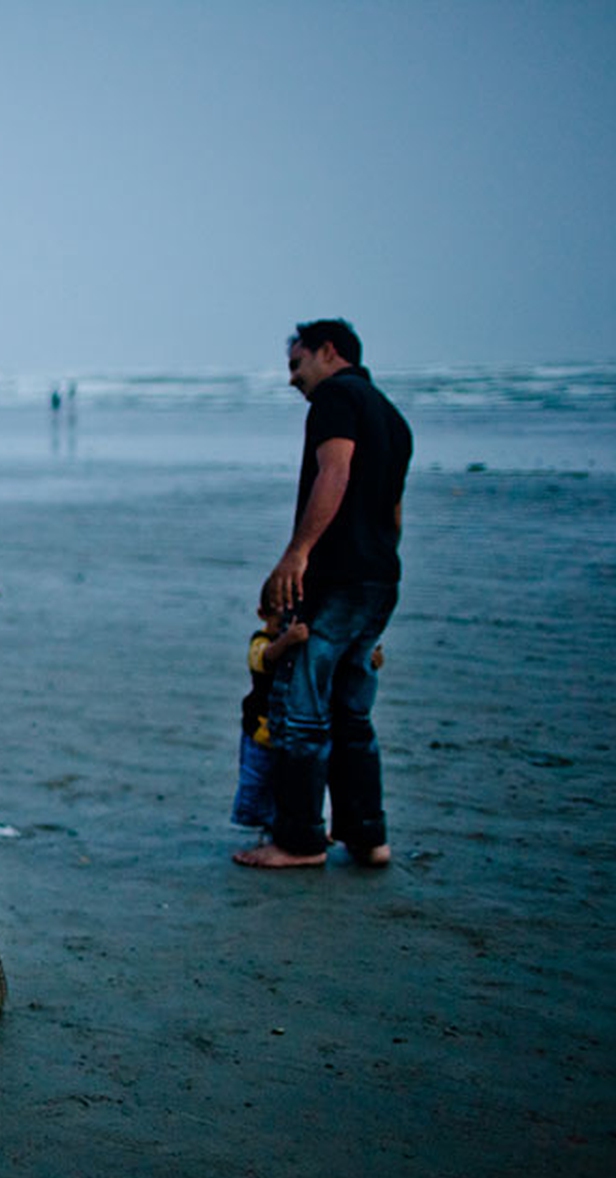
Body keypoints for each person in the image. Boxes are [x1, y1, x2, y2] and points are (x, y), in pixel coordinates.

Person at [236, 319, 412, 870]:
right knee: (352, 713)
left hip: (338, 577)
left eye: (297, 364)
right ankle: (367, 836)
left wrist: (298, 553)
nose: (293, 379)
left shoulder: (336, 398)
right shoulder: (392, 416)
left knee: (303, 713)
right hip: (380, 576)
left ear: (328, 352)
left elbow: (333, 473)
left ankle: (300, 841)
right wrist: (377, 569)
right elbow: (394, 513)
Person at [231, 606, 310, 830]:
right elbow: (265, 658)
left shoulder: (303, 643)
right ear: (262, 613)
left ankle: (288, 824)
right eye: (277, 611)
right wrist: (288, 639)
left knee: (292, 784)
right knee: (256, 783)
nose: (283, 617)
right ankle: (259, 825)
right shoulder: (260, 641)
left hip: (291, 731)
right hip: (260, 730)